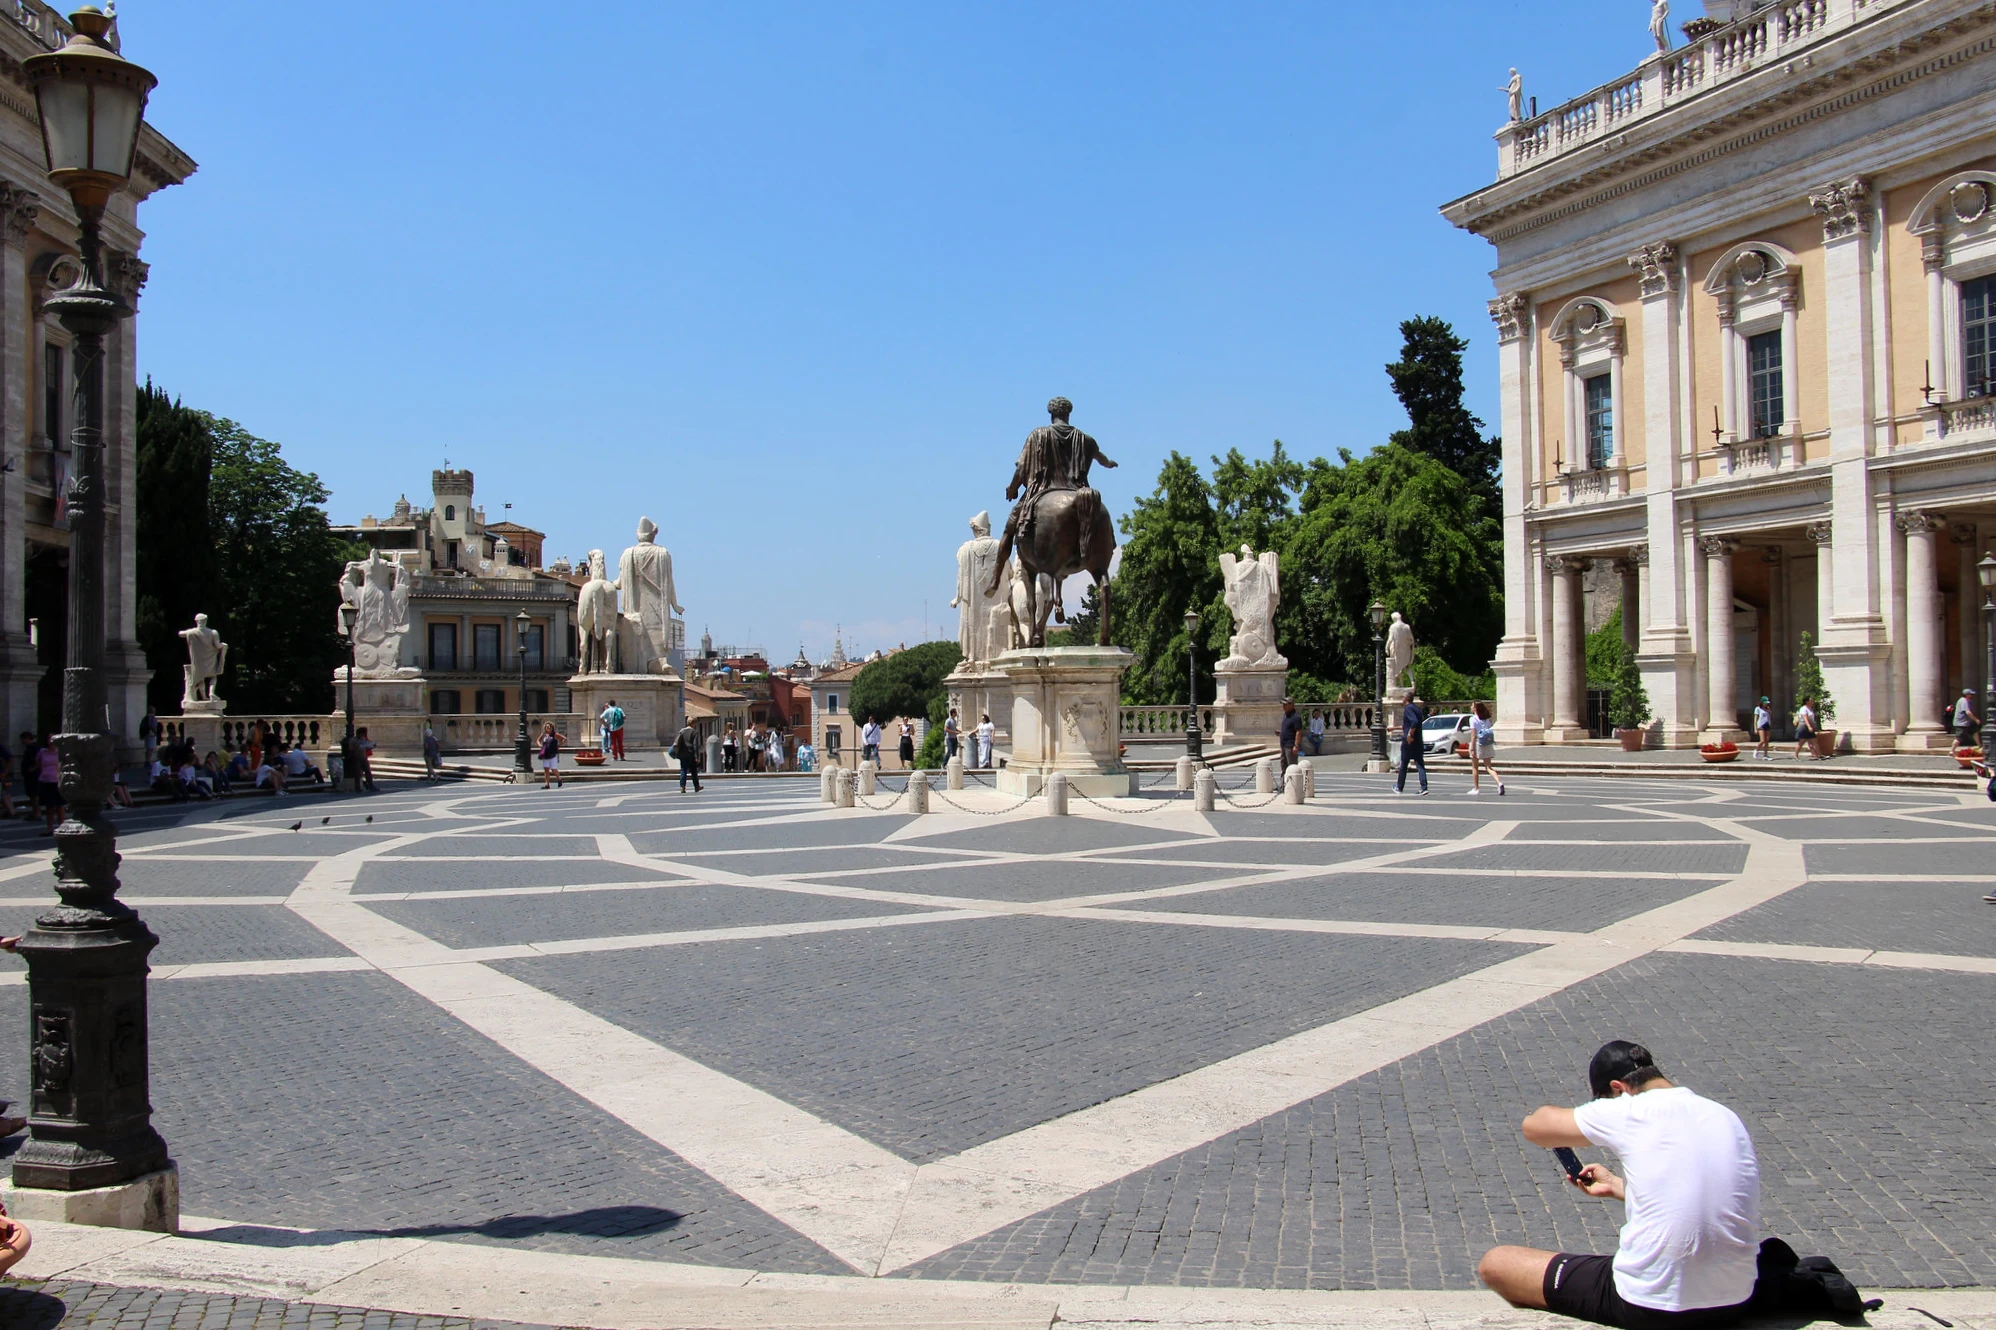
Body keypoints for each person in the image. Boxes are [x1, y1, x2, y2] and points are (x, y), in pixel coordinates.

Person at [1478, 1040, 1760, 1330]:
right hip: (1735, 1300)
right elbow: (1706, 1194)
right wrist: (1618, 1186)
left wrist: (1597, 1109)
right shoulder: (1723, 1114)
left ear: (1618, 1088)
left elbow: (1536, 1127)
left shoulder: (1630, 1108)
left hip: (1650, 1305)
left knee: (1497, 1263)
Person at [1469, 700, 1506, 796]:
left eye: (1472, 706)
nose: (1471, 707)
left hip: (1478, 743)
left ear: (1475, 708)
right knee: (1488, 767)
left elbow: (1473, 735)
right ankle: (1499, 783)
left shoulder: (1473, 719)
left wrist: (1471, 747)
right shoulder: (1486, 719)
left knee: (1475, 767)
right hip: (1487, 743)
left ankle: (1476, 788)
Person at [1395, 695, 1429, 796]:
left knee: (1404, 764)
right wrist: (1394, 728)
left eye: (1403, 697)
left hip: (1409, 741)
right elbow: (1411, 724)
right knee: (1420, 764)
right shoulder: (1417, 709)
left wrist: (1409, 734)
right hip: (1418, 740)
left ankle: (1399, 787)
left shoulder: (1408, 708)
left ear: (1406, 699)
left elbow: (1414, 722)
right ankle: (1424, 787)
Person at [36, 736, 63, 834]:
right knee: (49, 806)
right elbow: (38, 764)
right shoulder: (42, 752)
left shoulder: (60, 752)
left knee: (59, 805)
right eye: (49, 739)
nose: (51, 741)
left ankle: (61, 826)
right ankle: (49, 827)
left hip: (57, 780)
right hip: (45, 780)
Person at [672, 721, 704, 793]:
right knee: (693, 770)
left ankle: (682, 787)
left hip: (683, 753)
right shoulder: (694, 732)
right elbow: (695, 745)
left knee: (683, 769)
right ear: (693, 724)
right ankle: (696, 786)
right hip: (690, 753)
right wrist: (696, 756)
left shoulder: (682, 731)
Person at [537, 720, 563, 789]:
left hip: (552, 754)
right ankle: (547, 784)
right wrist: (540, 745)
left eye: (549, 727)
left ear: (552, 728)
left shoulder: (554, 734)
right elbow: (538, 740)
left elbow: (563, 739)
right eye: (547, 727)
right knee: (546, 770)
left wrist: (558, 746)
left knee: (553, 769)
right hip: (545, 754)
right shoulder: (543, 735)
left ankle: (559, 779)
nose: (548, 728)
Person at [353, 727, 378, 791]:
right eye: (363, 734)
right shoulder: (353, 740)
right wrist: (358, 747)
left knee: (368, 771)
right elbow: (351, 749)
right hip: (356, 757)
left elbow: (366, 747)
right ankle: (358, 787)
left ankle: (370, 785)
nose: (363, 736)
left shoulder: (363, 739)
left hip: (363, 757)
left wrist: (371, 746)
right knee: (358, 773)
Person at [1279, 698, 1302, 768]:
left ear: (1291, 705)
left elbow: (1299, 732)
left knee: (1292, 767)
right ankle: (1283, 779)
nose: (1283, 706)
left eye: (1285, 705)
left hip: (1290, 746)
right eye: (1283, 704)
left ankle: (1294, 779)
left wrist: (1296, 745)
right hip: (1283, 745)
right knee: (1283, 766)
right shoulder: (1285, 715)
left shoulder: (1296, 717)